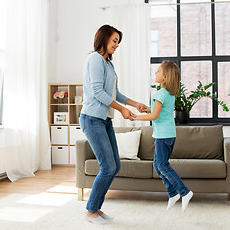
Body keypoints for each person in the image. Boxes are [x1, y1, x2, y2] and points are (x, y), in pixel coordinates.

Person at [80, 24, 148, 225]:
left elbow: (114, 93)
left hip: (104, 120)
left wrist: (135, 104)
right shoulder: (94, 59)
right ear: (103, 38)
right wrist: (121, 110)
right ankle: (90, 211)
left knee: (115, 165)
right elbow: (97, 92)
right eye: (114, 40)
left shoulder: (108, 64)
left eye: (118, 42)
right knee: (108, 166)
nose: (117, 45)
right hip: (92, 119)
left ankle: (96, 208)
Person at [133, 61, 193, 212]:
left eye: (158, 71)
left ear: (165, 77)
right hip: (169, 135)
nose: (155, 73)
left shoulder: (160, 94)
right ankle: (172, 194)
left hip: (163, 137)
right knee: (159, 166)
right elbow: (159, 111)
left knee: (162, 166)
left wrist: (135, 117)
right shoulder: (168, 94)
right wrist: (147, 108)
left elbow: (154, 115)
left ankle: (185, 192)